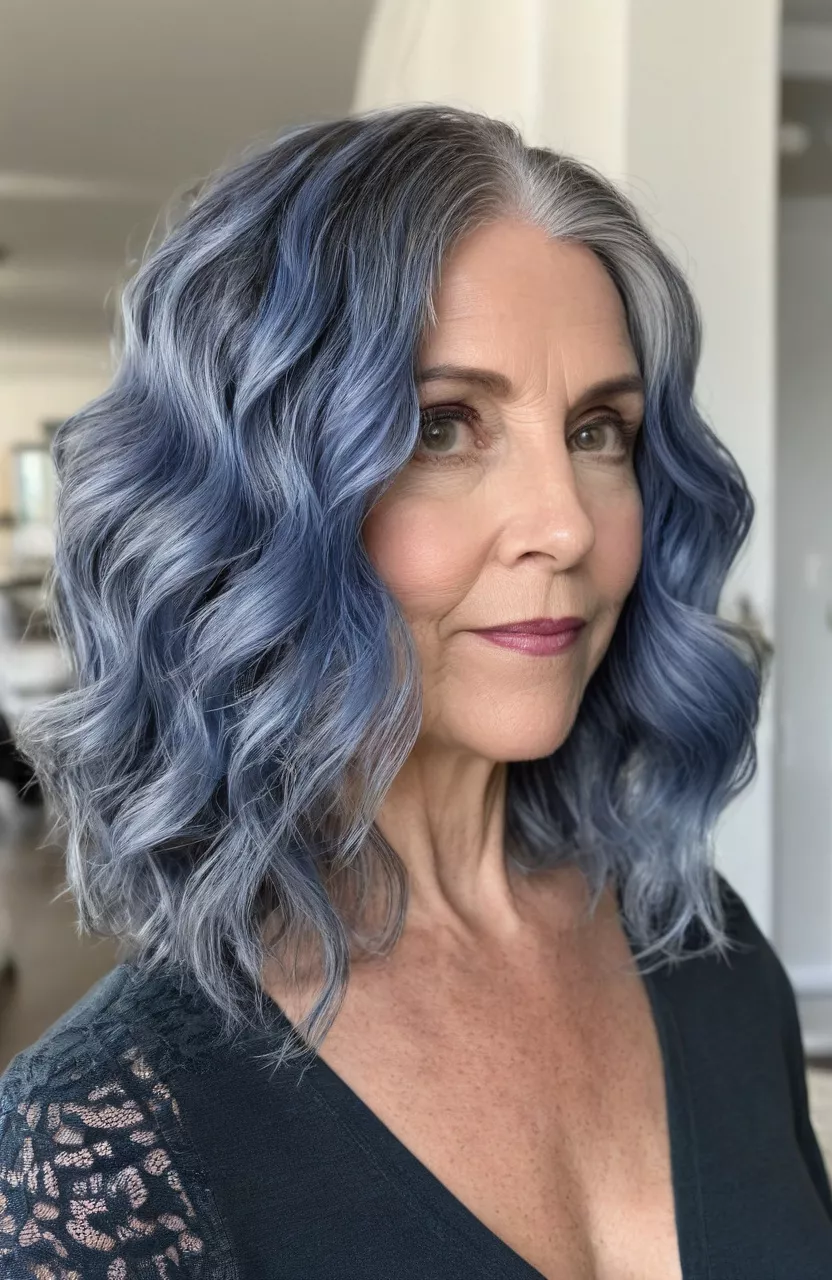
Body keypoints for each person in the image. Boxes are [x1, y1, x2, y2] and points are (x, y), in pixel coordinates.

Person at [0, 104, 829, 1280]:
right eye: (444, 425)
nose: (563, 519)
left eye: (599, 428)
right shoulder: (101, 1148)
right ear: (250, 501)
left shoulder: (700, 946)